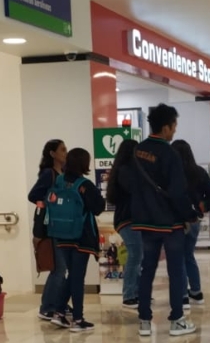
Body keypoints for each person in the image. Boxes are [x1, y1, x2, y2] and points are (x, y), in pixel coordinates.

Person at [131, 104, 197, 337]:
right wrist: (188, 215)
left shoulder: (137, 151)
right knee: (176, 270)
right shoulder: (170, 154)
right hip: (170, 223)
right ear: (166, 127)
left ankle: (144, 320)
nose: (175, 131)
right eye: (174, 126)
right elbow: (178, 191)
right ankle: (177, 319)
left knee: (147, 269)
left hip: (146, 222)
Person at [49, 148, 105, 332]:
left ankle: (58, 312)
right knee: (77, 277)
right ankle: (78, 319)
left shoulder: (59, 180)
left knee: (72, 275)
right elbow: (98, 208)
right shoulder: (84, 185)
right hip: (81, 236)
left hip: (61, 234)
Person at [171, 140, 210, 308]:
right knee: (189, 255)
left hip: (175, 220)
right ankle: (196, 292)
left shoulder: (171, 173)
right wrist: (202, 205)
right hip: (194, 220)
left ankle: (183, 295)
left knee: (178, 257)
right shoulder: (198, 172)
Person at [27, 139, 69, 324]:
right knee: (58, 268)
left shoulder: (64, 173)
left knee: (63, 268)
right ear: (52, 154)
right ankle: (47, 308)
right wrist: (46, 202)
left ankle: (58, 303)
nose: (65, 152)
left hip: (64, 225)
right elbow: (33, 195)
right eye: (62, 149)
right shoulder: (48, 174)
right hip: (52, 226)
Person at [105, 139, 141, 308]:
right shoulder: (126, 171)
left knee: (138, 254)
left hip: (129, 219)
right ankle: (129, 295)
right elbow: (135, 191)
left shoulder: (123, 170)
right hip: (127, 219)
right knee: (135, 254)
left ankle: (138, 291)